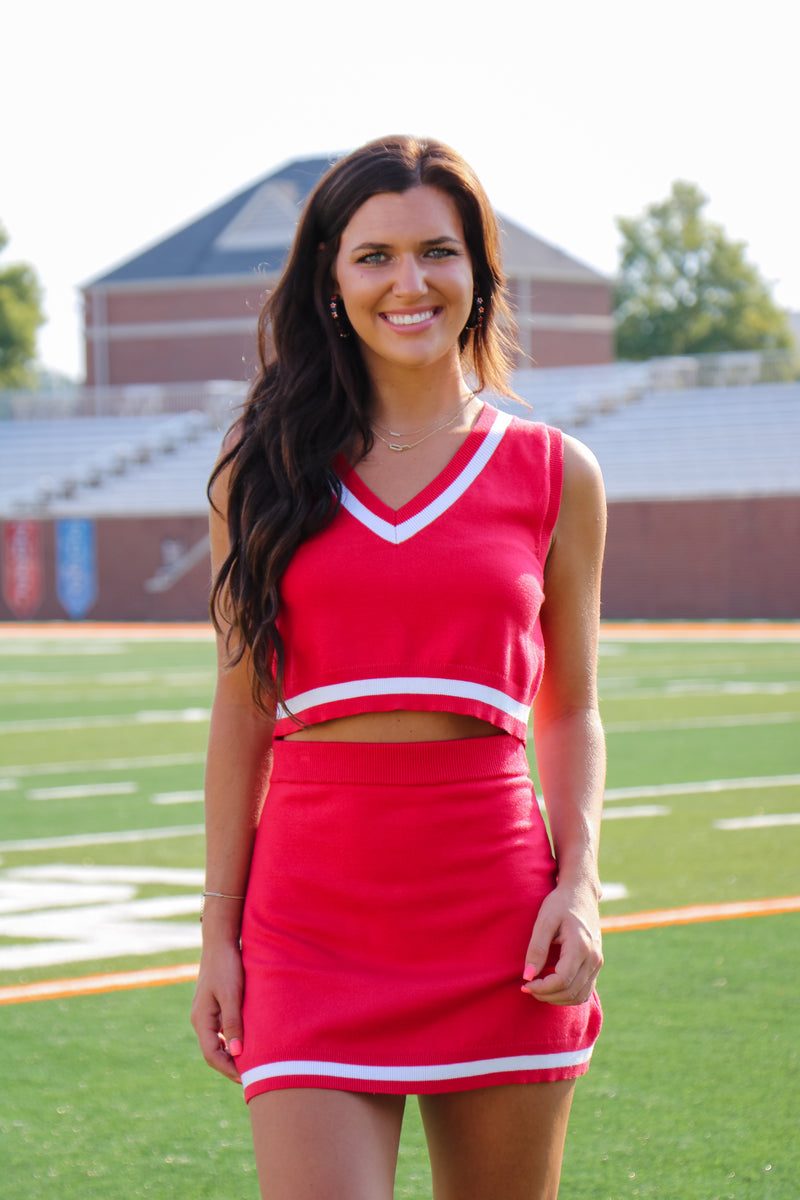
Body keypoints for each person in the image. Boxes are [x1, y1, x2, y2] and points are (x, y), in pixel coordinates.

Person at [191, 134, 606, 1200]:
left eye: (436, 252)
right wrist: (218, 939)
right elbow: (241, 713)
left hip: (495, 913)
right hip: (308, 916)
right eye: (373, 256)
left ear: (477, 271)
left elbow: (568, 712)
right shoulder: (266, 469)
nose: (408, 283)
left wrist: (579, 884)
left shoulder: (555, 473)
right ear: (330, 276)